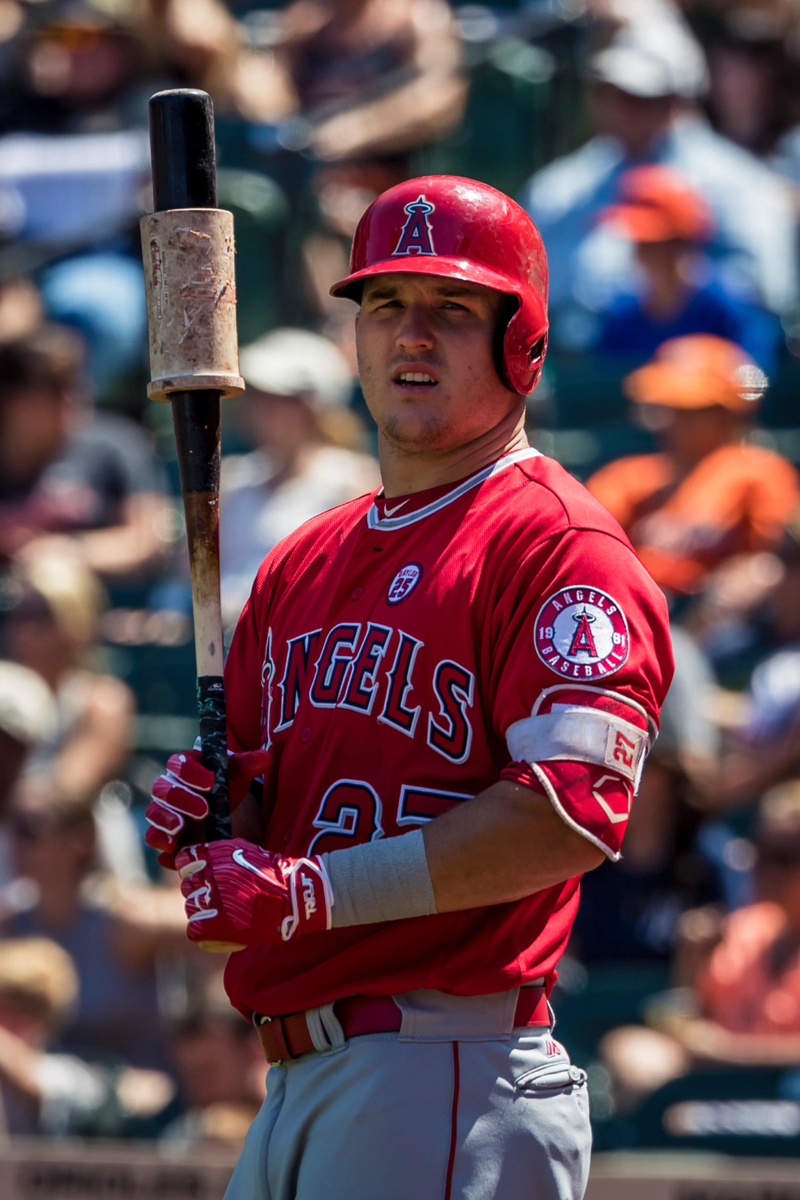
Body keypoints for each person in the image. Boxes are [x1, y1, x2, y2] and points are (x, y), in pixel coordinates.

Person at [145, 176, 673, 1200]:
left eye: (452, 308)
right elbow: (258, 832)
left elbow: (564, 818)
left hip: (443, 1064)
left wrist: (312, 892)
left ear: (519, 343)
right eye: (385, 305)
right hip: (298, 1073)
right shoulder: (303, 560)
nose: (410, 336)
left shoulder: (555, 547)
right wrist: (215, 819)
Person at [520, 22, 798, 344]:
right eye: (614, 93)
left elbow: (768, 290)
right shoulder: (560, 188)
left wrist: (670, 292)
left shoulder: (739, 182)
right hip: (589, 366)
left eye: (642, 97)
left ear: (675, 100)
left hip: (704, 359)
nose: (624, 109)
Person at [586, 334, 800, 600]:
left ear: (727, 413)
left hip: (721, 622)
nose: (674, 421)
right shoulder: (626, 476)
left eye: (691, 409)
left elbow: (778, 564)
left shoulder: (759, 471)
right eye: (669, 407)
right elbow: (588, 552)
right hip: (639, 608)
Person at [220, 327, 379, 628]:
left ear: (309, 407)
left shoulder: (353, 480)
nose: (258, 408)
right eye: (255, 395)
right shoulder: (231, 477)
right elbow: (189, 580)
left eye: (276, 397)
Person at [0, 323, 171, 581]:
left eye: (73, 384)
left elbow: (149, 539)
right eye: (52, 389)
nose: (71, 399)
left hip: (99, 611)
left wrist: (64, 551)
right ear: (12, 401)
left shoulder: (115, 444)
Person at [595, 164, 779, 371]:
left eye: (655, 242)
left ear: (683, 243)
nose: (643, 253)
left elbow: (756, 382)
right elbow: (605, 391)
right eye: (639, 242)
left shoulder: (729, 307)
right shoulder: (622, 317)